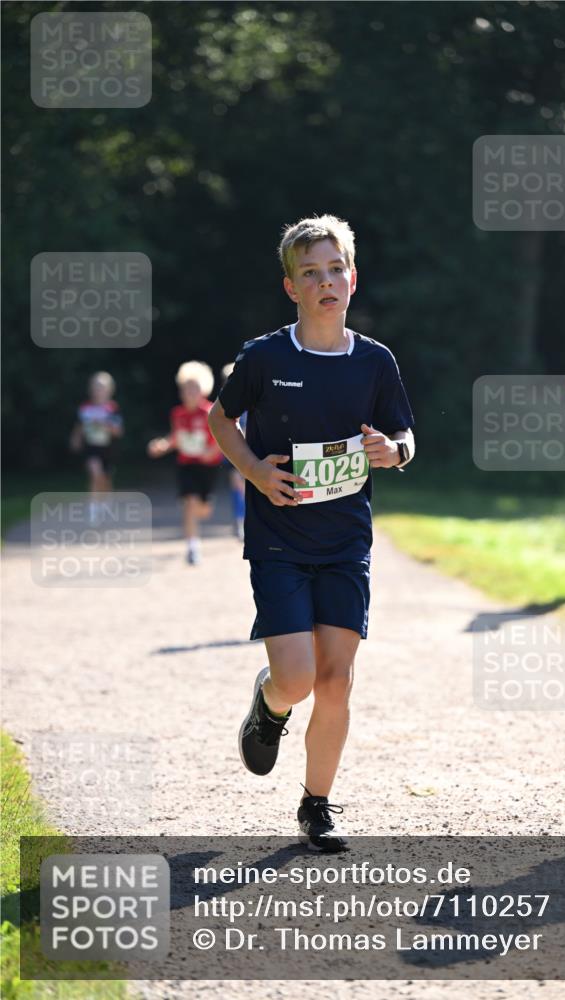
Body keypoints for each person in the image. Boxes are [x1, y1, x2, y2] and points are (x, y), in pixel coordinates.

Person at [208, 214, 415, 851]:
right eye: (310, 273)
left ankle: (316, 805)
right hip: (278, 539)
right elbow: (221, 419)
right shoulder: (266, 356)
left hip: (346, 540)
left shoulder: (375, 361)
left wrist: (394, 451)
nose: (324, 282)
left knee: (336, 681)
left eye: (334, 270)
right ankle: (269, 707)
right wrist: (254, 472)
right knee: (296, 680)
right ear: (291, 287)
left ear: (352, 279)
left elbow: (404, 435)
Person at [147, 361, 222, 565]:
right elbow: (176, 437)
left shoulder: (210, 412)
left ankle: (204, 505)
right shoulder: (177, 414)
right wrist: (162, 446)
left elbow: (223, 438)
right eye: (186, 387)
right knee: (189, 503)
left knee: (203, 508)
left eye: (194, 387)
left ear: (203, 389)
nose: (190, 391)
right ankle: (192, 548)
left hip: (208, 466)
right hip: (186, 464)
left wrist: (212, 450)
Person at [70, 371, 123, 522]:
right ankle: (93, 507)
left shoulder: (112, 408)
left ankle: (105, 501)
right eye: (96, 387)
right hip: (91, 448)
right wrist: (75, 439)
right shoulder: (85, 408)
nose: (99, 391)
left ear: (109, 390)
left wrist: (104, 425)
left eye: (102, 388)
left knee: (105, 477)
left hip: (108, 449)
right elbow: (79, 426)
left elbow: (118, 431)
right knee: (95, 473)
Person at [220, 362, 247, 542]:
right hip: (232, 452)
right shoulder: (224, 402)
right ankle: (239, 521)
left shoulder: (251, 399)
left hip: (251, 450)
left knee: (246, 488)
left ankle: (246, 520)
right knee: (237, 486)